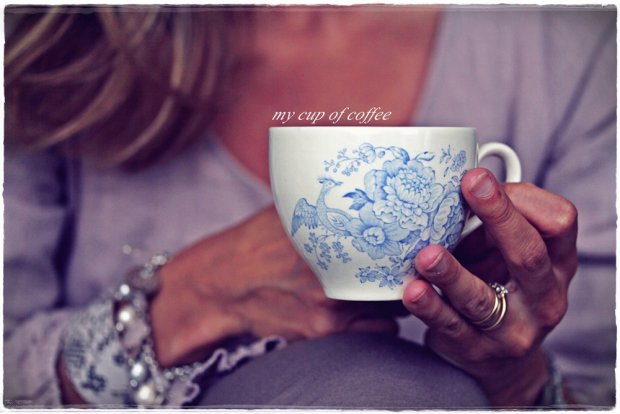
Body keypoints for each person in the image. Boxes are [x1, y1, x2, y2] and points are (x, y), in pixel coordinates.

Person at [3, 4, 615, 409]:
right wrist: (195, 296)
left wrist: (514, 377)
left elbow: (598, 392)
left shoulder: (566, 49)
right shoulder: (59, 41)